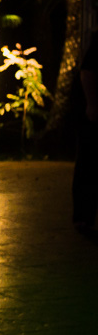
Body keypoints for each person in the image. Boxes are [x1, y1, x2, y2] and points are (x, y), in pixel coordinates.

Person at [72, 38, 98, 231]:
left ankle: (84, 216)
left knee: (87, 164)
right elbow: (87, 72)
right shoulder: (96, 41)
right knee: (88, 163)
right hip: (93, 113)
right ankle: (83, 216)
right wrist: (92, 104)